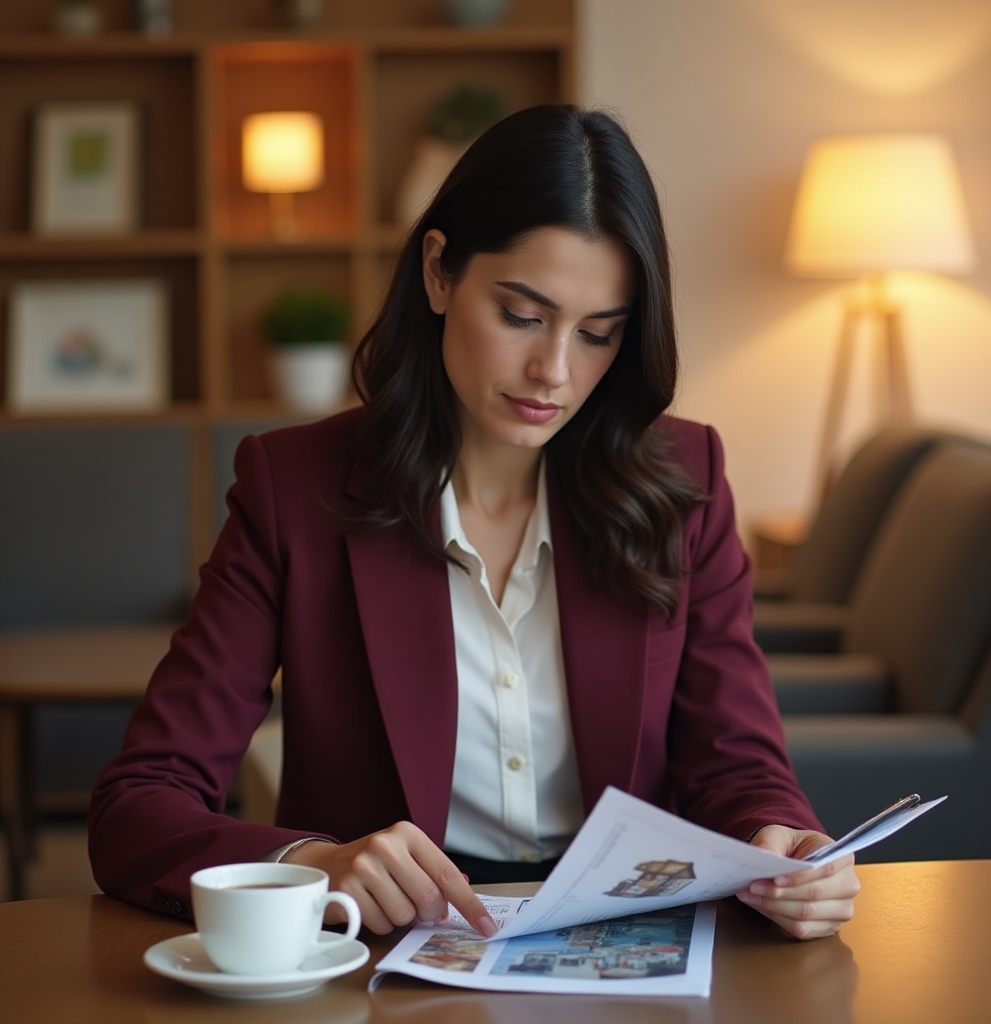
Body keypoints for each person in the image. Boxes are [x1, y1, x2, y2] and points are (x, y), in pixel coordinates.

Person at [88, 104, 859, 941]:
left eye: (598, 335)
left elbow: (740, 766)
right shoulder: (294, 488)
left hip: (634, 946)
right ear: (439, 271)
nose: (554, 372)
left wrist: (783, 843)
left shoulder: (684, 480)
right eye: (522, 316)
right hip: (383, 958)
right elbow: (139, 804)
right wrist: (311, 864)